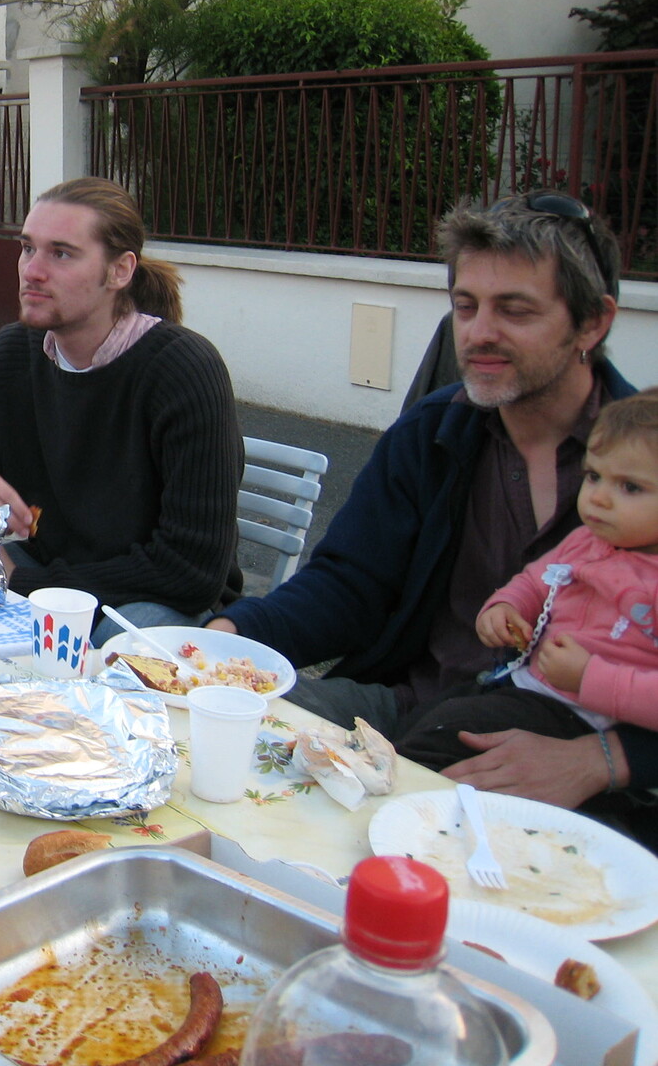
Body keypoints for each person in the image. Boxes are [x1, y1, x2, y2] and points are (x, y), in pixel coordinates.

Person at [210, 192, 658, 838]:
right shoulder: (431, 431)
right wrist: (230, 638)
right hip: (407, 705)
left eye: (514, 310)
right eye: (465, 306)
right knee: (218, 721)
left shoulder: (649, 463)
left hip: (578, 741)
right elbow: (350, 584)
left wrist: (603, 760)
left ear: (592, 323)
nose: (478, 332)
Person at [0, 176, 243, 641]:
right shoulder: (12, 354)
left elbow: (191, 570)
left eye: (61, 254)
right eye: (28, 248)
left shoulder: (183, 370)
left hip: (157, 600)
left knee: (102, 647)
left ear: (120, 270)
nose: (32, 271)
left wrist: (24, 580)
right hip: (49, 572)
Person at [398, 389, 658, 768]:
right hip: (524, 685)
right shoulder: (586, 541)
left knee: (439, 738)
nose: (598, 497)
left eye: (629, 487)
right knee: (423, 720)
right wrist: (508, 605)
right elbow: (536, 580)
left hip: (582, 719)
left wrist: (589, 677)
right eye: (594, 476)